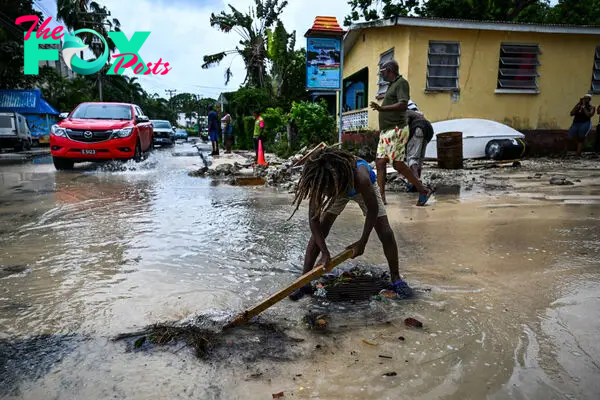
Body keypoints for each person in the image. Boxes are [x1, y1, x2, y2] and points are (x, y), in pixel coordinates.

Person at [287, 147, 414, 301]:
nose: (326, 195)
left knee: (385, 232)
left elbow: (373, 210)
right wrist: (324, 252)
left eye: (328, 191)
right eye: (324, 192)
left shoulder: (361, 177)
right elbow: (313, 221)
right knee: (322, 228)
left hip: (358, 189)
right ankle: (304, 281)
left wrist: (363, 241)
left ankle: (396, 278)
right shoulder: (320, 182)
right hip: (338, 187)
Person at [369, 60, 432, 206]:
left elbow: (403, 104)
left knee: (397, 164)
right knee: (380, 162)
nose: (381, 74)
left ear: (390, 70)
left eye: (383, 71)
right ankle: (381, 197)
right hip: (387, 131)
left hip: (397, 129)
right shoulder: (392, 85)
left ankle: (423, 190)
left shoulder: (401, 83)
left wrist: (382, 109)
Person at [404, 109, 435, 193]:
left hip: (418, 128)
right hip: (428, 129)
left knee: (411, 158)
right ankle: (416, 184)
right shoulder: (417, 113)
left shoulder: (406, 112)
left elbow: (405, 128)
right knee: (420, 159)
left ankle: (417, 182)